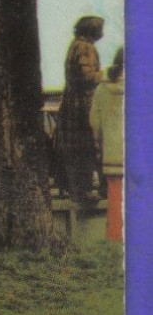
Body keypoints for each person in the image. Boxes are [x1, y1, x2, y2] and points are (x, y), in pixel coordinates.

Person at [57, 15, 104, 209]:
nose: (103, 33)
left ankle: (79, 190)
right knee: (86, 146)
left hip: (73, 104)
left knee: (78, 149)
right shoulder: (85, 48)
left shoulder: (75, 45)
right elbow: (86, 76)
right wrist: (107, 74)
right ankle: (84, 191)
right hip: (82, 106)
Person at [89, 46, 125, 240]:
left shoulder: (102, 88)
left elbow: (94, 121)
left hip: (112, 156)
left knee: (115, 201)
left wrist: (99, 145)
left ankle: (114, 238)